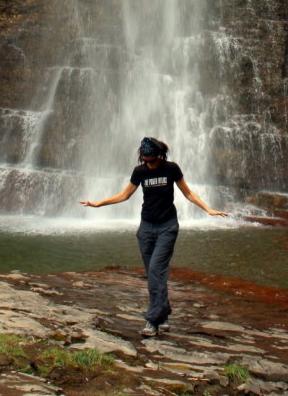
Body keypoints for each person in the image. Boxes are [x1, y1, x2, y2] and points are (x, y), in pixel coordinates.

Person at [79, 136, 228, 338]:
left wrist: (208, 209)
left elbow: (188, 193)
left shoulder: (171, 169)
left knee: (156, 270)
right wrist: (98, 204)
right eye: (145, 160)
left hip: (167, 227)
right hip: (146, 229)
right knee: (154, 274)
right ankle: (164, 313)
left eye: (151, 160)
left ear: (159, 156)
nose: (148, 164)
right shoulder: (139, 172)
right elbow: (124, 195)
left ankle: (152, 320)